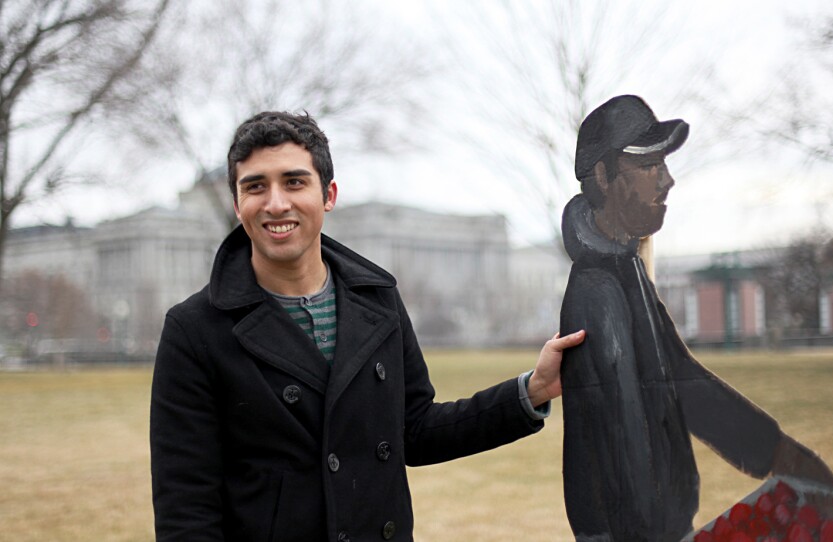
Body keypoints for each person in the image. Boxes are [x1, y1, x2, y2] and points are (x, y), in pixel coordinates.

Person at [150, 111, 585, 542]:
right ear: (237, 204)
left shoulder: (378, 300)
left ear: (329, 194)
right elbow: (186, 509)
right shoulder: (195, 330)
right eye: (255, 186)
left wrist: (532, 390)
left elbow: (415, 430)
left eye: (294, 182)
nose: (276, 203)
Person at [559, 95, 833, 542]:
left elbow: (681, 380)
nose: (668, 180)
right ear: (602, 177)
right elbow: (624, 446)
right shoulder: (599, 291)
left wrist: (780, 454)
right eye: (650, 165)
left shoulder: (624, 269)